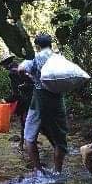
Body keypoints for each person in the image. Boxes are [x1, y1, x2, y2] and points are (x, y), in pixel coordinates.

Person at [20, 33, 68, 175]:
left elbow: (21, 69)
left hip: (39, 101)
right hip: (57, 100)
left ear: (37, 46)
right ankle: (58, 172)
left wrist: (30, 77)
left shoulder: (35, 58)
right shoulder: (58, 58)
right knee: (60, 139)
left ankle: (38, 170)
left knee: (29, 136)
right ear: (50, 44)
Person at [0, 53, 33, 137]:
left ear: (5, 63)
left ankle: (24, 142)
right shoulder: (21, 67)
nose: (3, 67)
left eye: (3, 65)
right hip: (34, 95)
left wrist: (6, 100)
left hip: (25, 98)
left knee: (24, 120)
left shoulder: (13, 73)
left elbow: (16, 94)